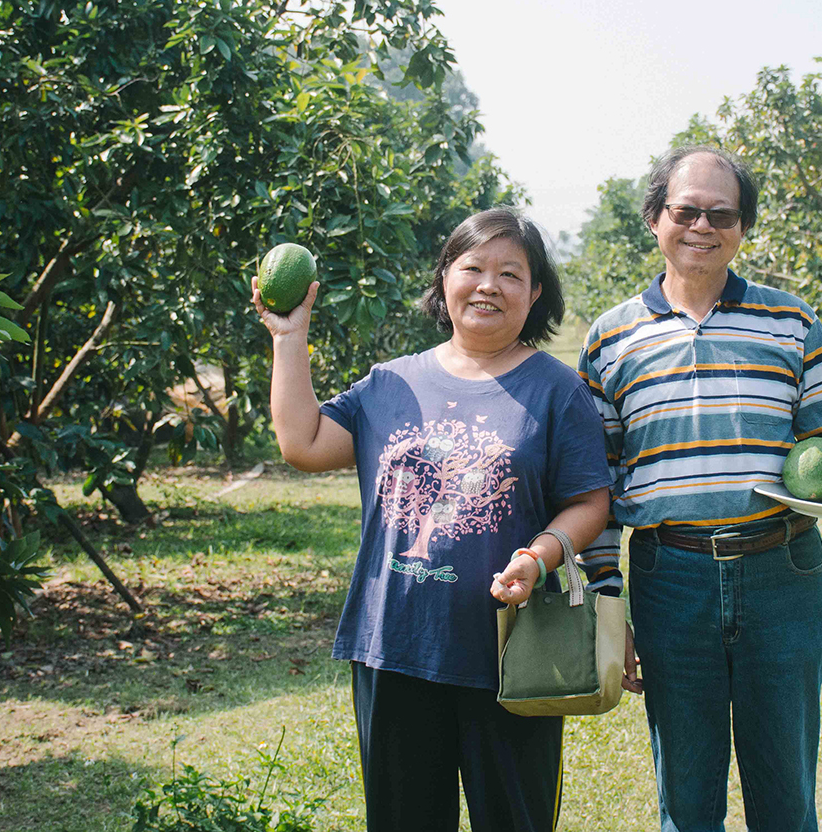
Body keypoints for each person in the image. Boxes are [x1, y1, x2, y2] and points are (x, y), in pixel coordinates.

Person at [576, 147, 822, 832]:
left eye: (723, 214)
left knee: (785, 797)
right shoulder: (609, 340)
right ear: (655, 218)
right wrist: (606, 604)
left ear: (742, 227)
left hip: (783, 573)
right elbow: (596, 485)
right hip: (669, 577)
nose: (703, 226)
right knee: (686, 800)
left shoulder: (792, 323)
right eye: (686, 211)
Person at [255, 207, 611, 832]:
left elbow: (588, 501)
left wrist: (538, 555)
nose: (488, 285)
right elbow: (303, 443)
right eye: (472, 267)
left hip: (509, 649)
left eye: (511, 273)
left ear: (535, 293)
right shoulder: (390, 383)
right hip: (395, 644)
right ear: (445, 278)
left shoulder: (558, 391)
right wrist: (289, 337)